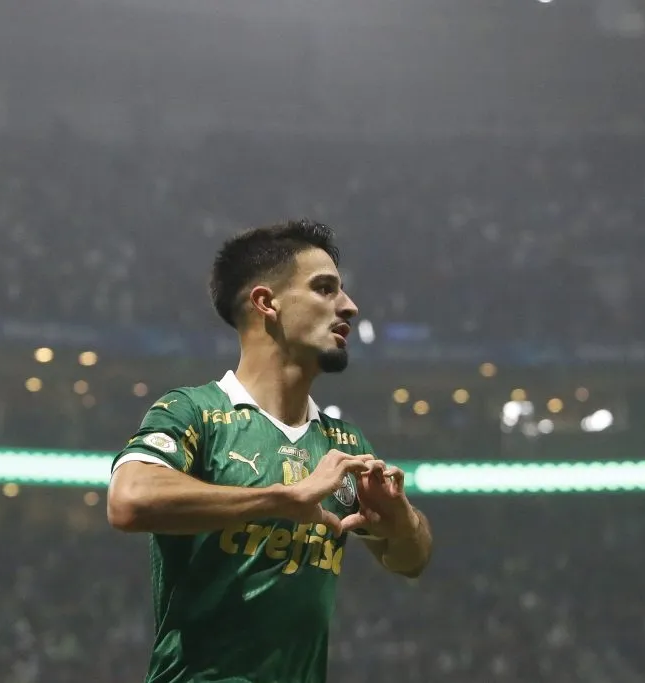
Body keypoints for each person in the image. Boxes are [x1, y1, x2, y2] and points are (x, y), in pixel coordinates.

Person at [107, 219, 433, 683]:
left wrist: (403, 524)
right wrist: (281, 499)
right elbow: (128, 500)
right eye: (325, 289)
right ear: (266, 303)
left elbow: (410, 560)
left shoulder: (344, 445)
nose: (350, 307)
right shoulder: (193, 411)